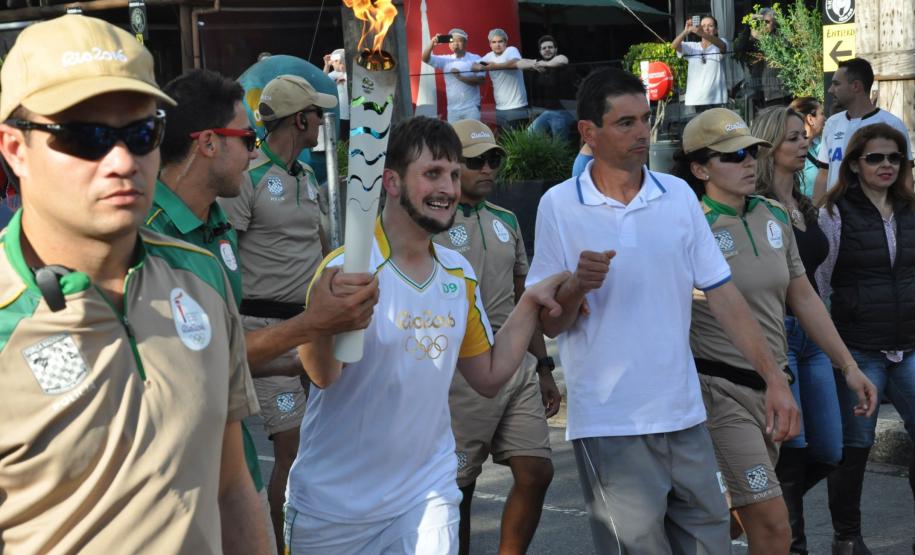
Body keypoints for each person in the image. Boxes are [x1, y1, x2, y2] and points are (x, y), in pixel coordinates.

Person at [0, 15, 268, 553]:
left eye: (141, 133)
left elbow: (232, 484)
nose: (121, 161)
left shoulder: (202, 278)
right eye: (84, 136)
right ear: (14, 148)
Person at [528, 67, 788, 554]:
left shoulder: (677, 197)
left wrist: (774, 378)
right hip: (611, 422)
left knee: (710, 546)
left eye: (645, 119)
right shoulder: (559, 205)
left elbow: (724, 296)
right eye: (625, 123)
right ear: (589, 132)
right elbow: (549, 321)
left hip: (684, 415)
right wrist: (576, 288)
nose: (642, 132)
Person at [284, 116, 569, 554]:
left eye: (454, 175)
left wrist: (528, 304)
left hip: (426, 493)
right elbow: (322, 376)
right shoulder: (347, 270)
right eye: (432, 173)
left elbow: (489, 376)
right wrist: (323, 321)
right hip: (334, 505)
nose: (449, 188)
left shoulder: (457, 274)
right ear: (392, 182)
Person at [148, 69, 379, 554]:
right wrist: (312, 324)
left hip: (232, 455)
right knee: (292, 449)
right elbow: (197, 359)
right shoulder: (150, 238)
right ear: (208, 143)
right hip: (170, 486)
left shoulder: (217, 224)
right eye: (245, 138)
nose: (253, 151)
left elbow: (223, 358)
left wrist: (304, 350)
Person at [674, 107, 875, 555]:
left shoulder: (773, 215)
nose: (748, 161)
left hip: (774, 389)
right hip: (718, 391)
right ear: (699, 167)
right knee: (772, 525)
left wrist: (849, 367)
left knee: (730, 523)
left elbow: (803, 298)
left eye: (750, 152)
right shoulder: (690, 226)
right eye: (732, 155)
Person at [217, 73, 338, 549]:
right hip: (267, 333)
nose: (323, 122)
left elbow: (323, 248)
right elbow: (223, 257)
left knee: (320, 448)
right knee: (290, 449)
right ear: (301, 119)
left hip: (313, 331)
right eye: (318, 114)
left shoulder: (306, 176)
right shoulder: (248, 178)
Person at [751, 106, 878, 555]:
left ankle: (755, 510)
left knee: (829, 448)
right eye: (791, 138)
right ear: (768, 148)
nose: (804, 142)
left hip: (812, 333)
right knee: (794, 447)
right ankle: (791, 544)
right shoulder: (755, 208)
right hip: (778, 331)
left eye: (802, 135)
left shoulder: (805, 203)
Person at [432, 119, 560, 555]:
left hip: (518, 367)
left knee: (537, 472)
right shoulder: (431, 224)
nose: (488, 168)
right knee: (459, 489)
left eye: (494, 160)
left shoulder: (506, 219)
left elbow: (527, 297)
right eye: (476, 161)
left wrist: (543, 366)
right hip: (462, 372)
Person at [815, 123, 915, 555]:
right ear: (855, 164)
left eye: (895, 157)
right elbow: (817, 284)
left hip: (909, 345)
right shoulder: (833, 213)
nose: (886, 165)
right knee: (854, 448)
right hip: (858, 348)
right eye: (876, 157)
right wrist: (833, 349)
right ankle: (848, 537)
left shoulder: (912, 209)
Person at [813, 58, 913, 200]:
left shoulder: (892, 124)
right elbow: (824, 172)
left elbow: (906, 176)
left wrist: (904, 214)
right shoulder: (832, 123)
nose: (830, 90)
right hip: (836, 217)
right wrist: (817, 212)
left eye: (836, 84)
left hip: (877, 217)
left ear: (856, 86)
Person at [422, 29, 485, 123]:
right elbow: (425, 58)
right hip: (453, 111)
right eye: (452, 41)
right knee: (454, 137)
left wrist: (460, 77)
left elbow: (481, 80)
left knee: (472, 136)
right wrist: (432, 43)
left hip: (472, 108)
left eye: (459, 41)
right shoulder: (445, 60)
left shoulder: (477, 58)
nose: (455, 44)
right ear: (449, 44)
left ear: (465, 43)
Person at [472, 29, 530, 131]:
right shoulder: (489, 56)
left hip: (517, 106)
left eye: (500, 41)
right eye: (494, 42)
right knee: (504, 141)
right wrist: (482, 67)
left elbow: (515, 63)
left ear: (505, 43)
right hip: (499, 107)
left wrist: (495, 66)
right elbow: (474, 65)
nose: (497, 45)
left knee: (517, 142)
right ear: (490, 44)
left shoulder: (511, 50)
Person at [671, 15, 729, 113]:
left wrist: (702, 33)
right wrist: (686, 31)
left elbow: (723, 46)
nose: (706, 28)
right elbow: (674, 45)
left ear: (716, 30)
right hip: (695, 100)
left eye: (710, 26)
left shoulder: (721, 42)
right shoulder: (692, 46)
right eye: (703, 26)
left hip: (716, 99)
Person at [526, 35, 578, 142]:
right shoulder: (539, 66)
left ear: (556, 49)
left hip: (564, 111)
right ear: (540, 51)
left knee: (558, 140)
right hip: (547, 111)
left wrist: (545, 64)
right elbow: (521, 62)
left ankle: (561, 157)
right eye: (544, 48)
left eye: (550, 47)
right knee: (529, 134)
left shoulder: (559, 60)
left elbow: (563, 59)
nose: (547, 50)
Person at [789, 97, 826, 197]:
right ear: (810, 119)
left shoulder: (818, 145)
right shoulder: (793, 154)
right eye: (822, 114)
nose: (825, 118)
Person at [322, 48, 350, 137]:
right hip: (340, 114)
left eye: (334, 62)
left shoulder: (350, 73)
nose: (332, 63)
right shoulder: (333, 74)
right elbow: (322, 81)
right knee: (342, 138)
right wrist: (327, 65)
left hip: (353, 114)